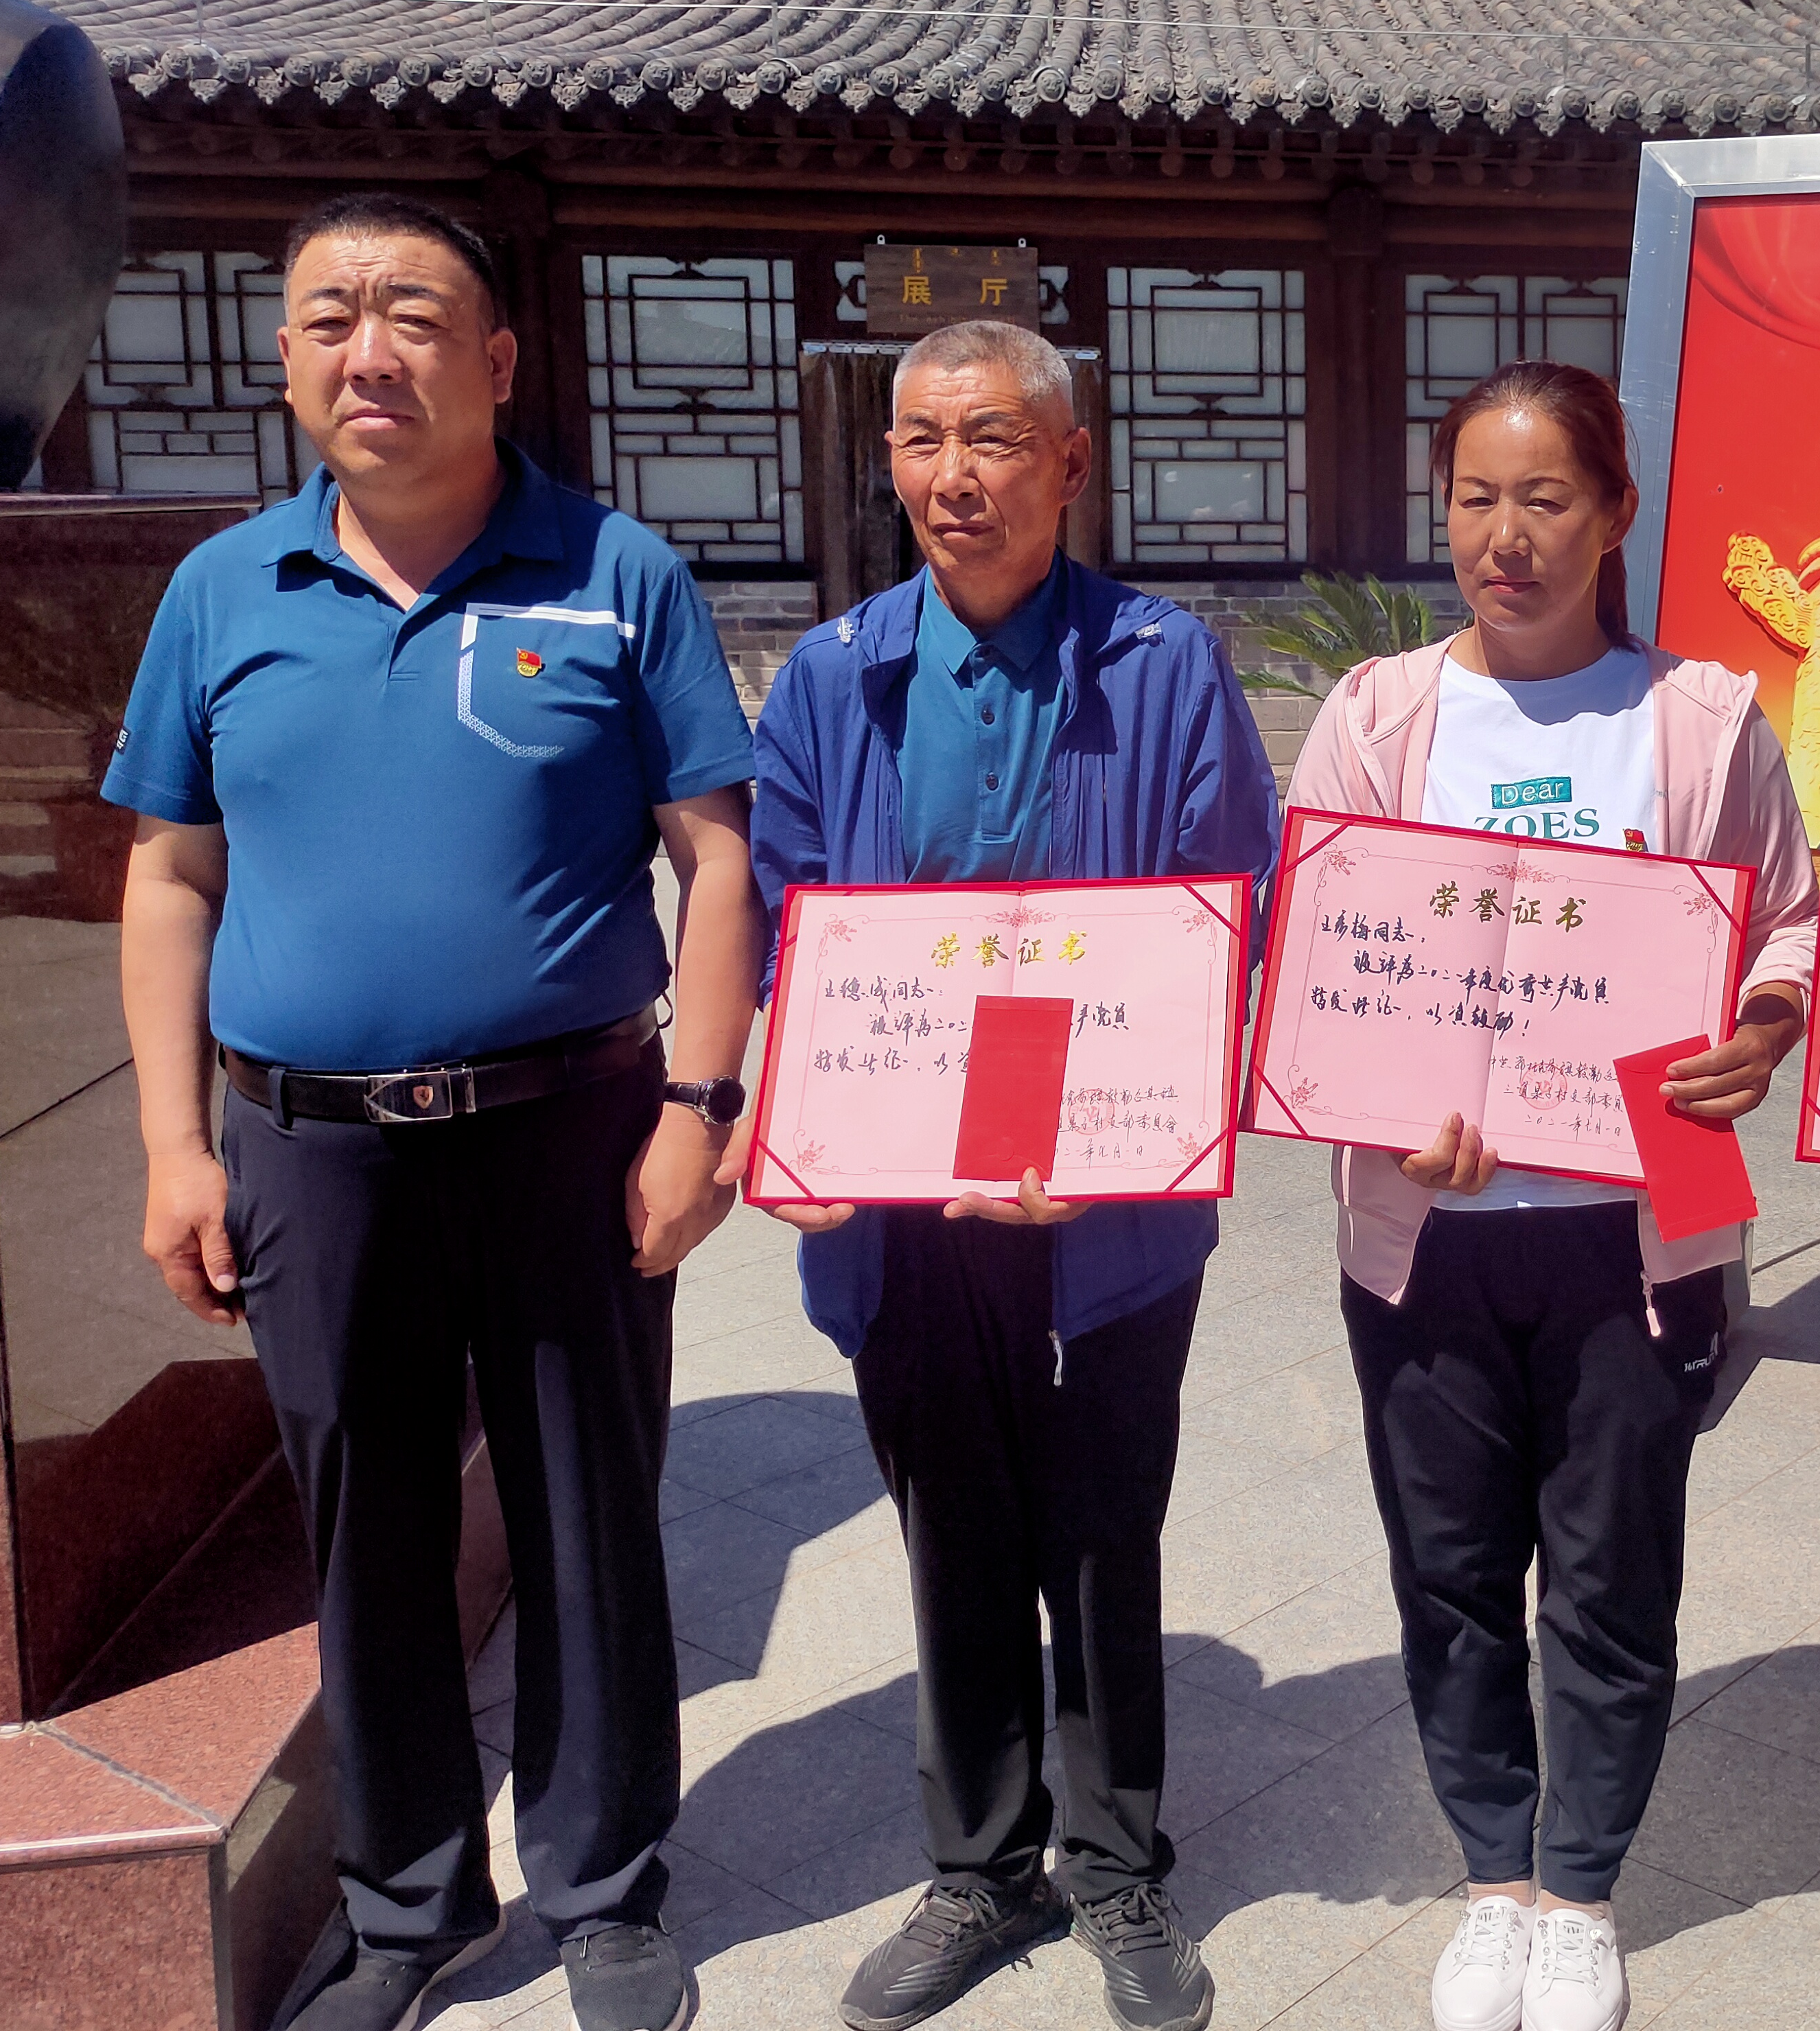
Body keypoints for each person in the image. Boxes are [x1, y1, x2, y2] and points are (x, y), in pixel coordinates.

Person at [109, 193, 760, 2031]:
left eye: (411, 313)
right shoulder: (223, 592)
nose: (367, 351)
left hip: (572, 1124)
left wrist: (699, 1109)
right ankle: (407, 1905)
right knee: (366, 1527)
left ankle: (606, 1884)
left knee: (587, 1511)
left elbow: (717, 858)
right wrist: (174, 1146)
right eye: (329, 318)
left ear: (497, 359)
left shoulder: (617, 570)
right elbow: (170, 876)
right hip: (310, 1148)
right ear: (286, 361)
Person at [744, 317, 1276, 2031]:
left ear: (1069, 462)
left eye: (990, 439)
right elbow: (788, 927)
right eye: (920, 440)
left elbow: (1226, 914)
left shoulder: (1162, 663)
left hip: (1102, 1202)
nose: (952, 476)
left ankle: (1118, 1866)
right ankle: (980, 1867)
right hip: (903, 1207)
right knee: (952, 1532)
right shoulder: (832, 675)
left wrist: (1114, 1134)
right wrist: (798, 1118)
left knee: (1105, 1533)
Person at [1285, 360, 1818, 2031]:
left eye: (1545, 499)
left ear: (1616, 515)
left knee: (1609, 1578)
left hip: (1636, 1231)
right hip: (1426, 1236)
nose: (1504, 537)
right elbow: (1318, 949)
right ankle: (1493, 1885)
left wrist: (1763, 1028)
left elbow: (1791, 918)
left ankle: (1580, 1892)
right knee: (1449, 1576)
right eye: (1475, 499)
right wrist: (1382, 1105)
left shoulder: (1702, 718)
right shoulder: (1378, 717)